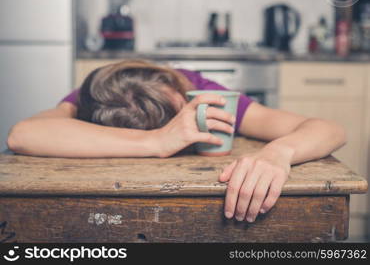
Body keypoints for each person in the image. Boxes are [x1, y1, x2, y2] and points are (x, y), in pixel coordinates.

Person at [6, 59, 346, 223]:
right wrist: (157, 142)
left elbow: (330, 129)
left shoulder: (201, 92)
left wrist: (279, 153)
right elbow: (22, 135)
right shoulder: (100, 94)